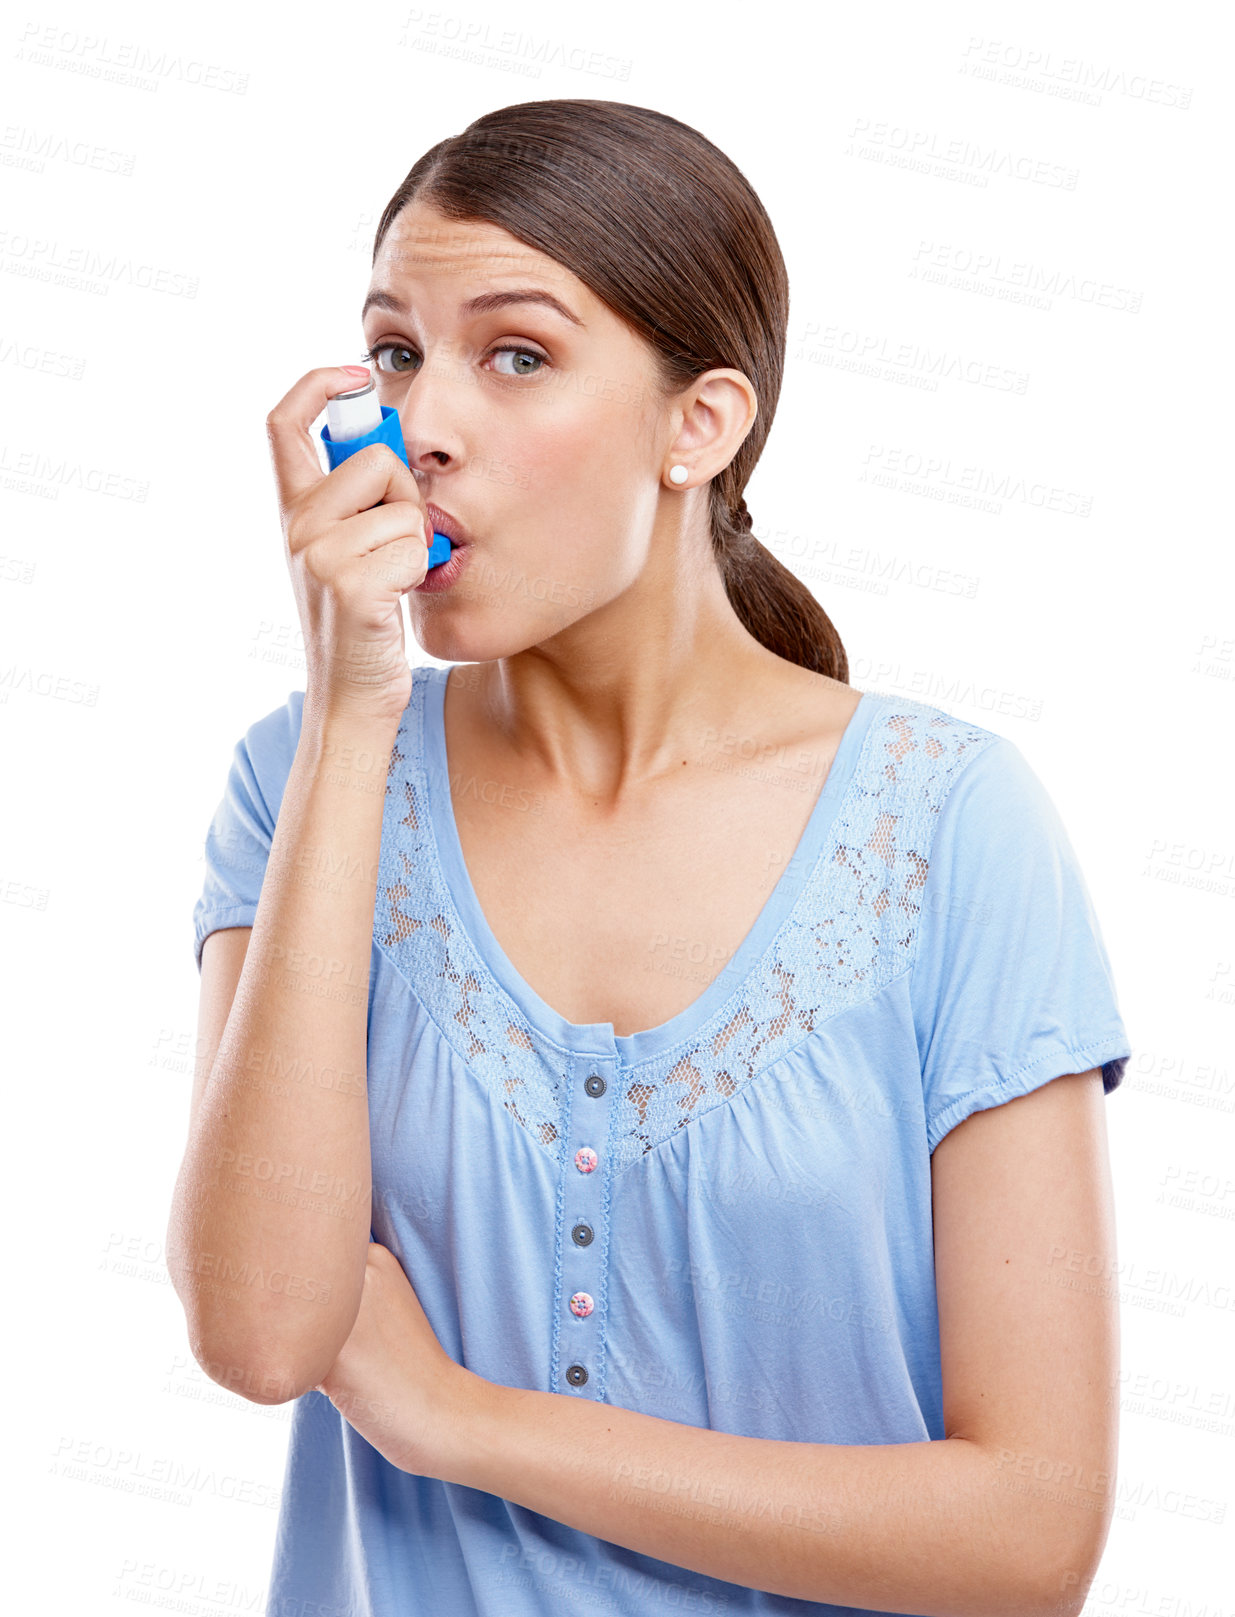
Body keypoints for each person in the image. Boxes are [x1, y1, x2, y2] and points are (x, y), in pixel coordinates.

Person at [168, 99, 1131, 1617]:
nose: (421, 425)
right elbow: (263, 1333)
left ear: (704, 423)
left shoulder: (953, 826)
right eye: (397, 351)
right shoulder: (296, 783)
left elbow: (1030, 1535)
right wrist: (354, 721)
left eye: (518, 355)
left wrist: (463, 1420)